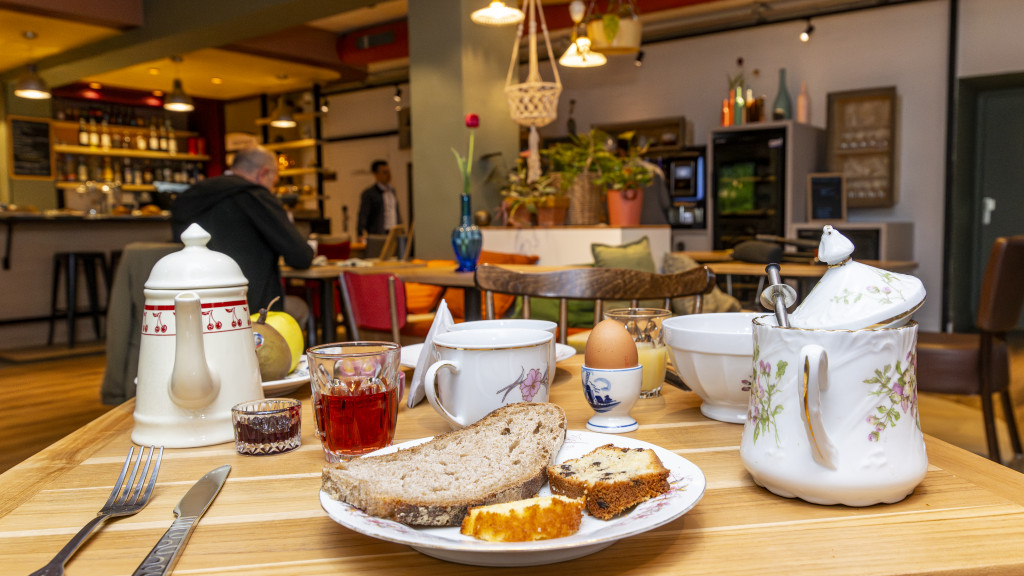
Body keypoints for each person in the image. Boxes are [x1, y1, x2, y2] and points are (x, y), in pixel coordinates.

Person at [171, 145, 313, 312]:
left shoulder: (189, 196)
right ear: (263, 174)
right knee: (301, 309)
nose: (272, 189)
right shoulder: (255, 196)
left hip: (192, 307)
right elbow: (301, 256)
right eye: (274, 182)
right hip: (249, 309)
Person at [356, 160, 400, 241]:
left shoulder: (392, 191)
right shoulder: (369, 194)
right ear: (376, 175)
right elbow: (363, 215)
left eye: (388, 171)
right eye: (384, 172)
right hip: (379, 234)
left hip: (393, 233)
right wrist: (361, 233)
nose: (388, 175)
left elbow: (396, 212)